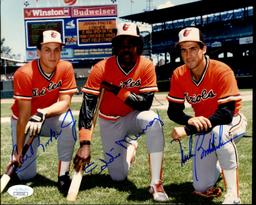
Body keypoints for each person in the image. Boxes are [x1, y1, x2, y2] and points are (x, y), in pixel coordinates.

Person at [73, 22, 169, 202]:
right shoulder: (101, 68)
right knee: (118, 177)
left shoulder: (146, 65)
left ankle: (156, 183)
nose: (126, 49)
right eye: (121, 44)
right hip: (110, 121)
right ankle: (131, 146)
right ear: (115, 47)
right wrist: (85, 143)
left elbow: (145, 104)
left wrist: (117, 90)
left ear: (138, 46)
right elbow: (88, 107)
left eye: (131, 44)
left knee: (153, 120)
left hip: (134, 116)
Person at [167, 27, 247, 204]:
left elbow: (226, 114)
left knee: (220, 134)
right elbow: (173, 111)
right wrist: (190, 119)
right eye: (184, 50)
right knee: (201, 186)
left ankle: (233, 195)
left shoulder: (221, 70)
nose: (188, 55)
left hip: (233, 120)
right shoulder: (179, 74)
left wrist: (188, 128)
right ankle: (218, 165)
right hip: (204, 126)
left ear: (203, 49)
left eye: (193, 48)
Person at [8, 30, 78, 195]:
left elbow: (65, 104)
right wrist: (19, 150)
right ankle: (17, 160)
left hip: (49, 118)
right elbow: (24, 116)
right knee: (26, 175)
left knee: (68, 122)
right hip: (25, 122)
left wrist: (42, 113)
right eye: (47, 49)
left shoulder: (66, 67)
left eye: (57, 49)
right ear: (38, 52)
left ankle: (63, 176)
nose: (53, 55)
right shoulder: (24, 73)